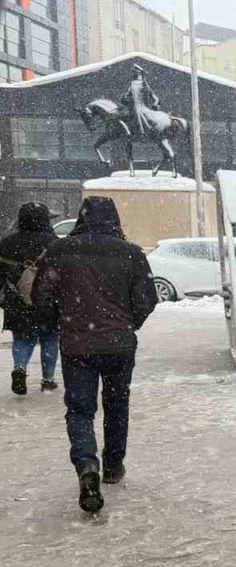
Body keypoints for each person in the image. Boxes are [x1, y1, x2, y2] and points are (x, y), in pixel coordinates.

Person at [32, 196, 158, 514]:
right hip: (119, 345)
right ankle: (113, 465)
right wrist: (127, 323)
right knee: (117, 406)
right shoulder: (131, 253)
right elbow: (147, 298)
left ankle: (87, 464)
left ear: (81, 217)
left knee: (79, 410)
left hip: (77, 344)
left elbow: (41, 295)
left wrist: (58, 322)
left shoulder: (59, 250)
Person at [1, 202, 60, 395]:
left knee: (21, 338)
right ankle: (48, 379)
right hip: (48, 303)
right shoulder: (55, 243)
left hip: (17, 300)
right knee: (49, 339)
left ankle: (19, 367)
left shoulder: (6, 243)